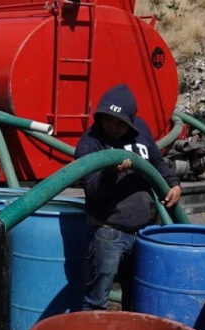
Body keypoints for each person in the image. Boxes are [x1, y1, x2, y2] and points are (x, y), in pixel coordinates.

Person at [74, 84, 182, 311]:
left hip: (143, 232)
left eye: (121, 123)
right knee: (96, 300)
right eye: (109, 120)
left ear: (130, 122)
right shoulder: (90, 144)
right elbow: (93, 193)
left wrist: (173, 183)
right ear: (101, 117)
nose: (114, 127)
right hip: (108, 232)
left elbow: (156, 162)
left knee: (137, 298)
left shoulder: (140, 130)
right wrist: (110, 172)